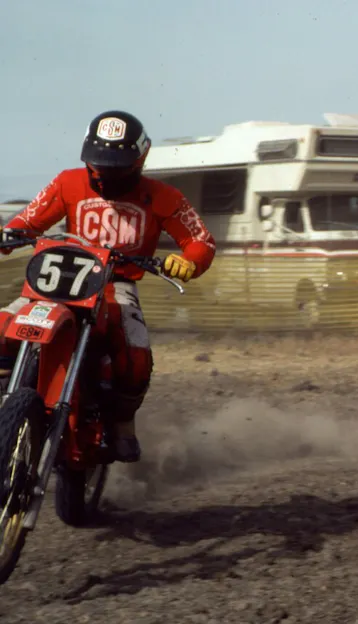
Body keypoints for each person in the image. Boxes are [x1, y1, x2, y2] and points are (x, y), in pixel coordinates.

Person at [0, 110, 217, 462]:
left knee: (135, 357)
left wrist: (189, 261)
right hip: (60, 276)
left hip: (117, 282)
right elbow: (26, 222)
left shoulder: (164, 197)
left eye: (116, 166)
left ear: (139, 160)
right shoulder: (67, 183)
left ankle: (122, 422)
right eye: (99, 164)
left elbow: (200, 241)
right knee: (3, 325)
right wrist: (8, 236)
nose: (105, 174)